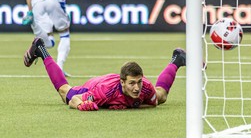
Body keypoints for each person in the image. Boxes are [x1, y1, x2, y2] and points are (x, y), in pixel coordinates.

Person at [23, 37, 186, 111]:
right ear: (123, 82)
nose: (136, 88)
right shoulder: (104, 92)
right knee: (64, 92)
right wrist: (81, 105)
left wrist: (130, 105)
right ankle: (41, 49)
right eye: (132, 83)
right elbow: (74, 100)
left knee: (162, 96)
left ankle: (177, 59)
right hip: (96, 84)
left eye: (139, 82)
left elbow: (153, 104)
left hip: (112, 90)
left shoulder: (146, 88)